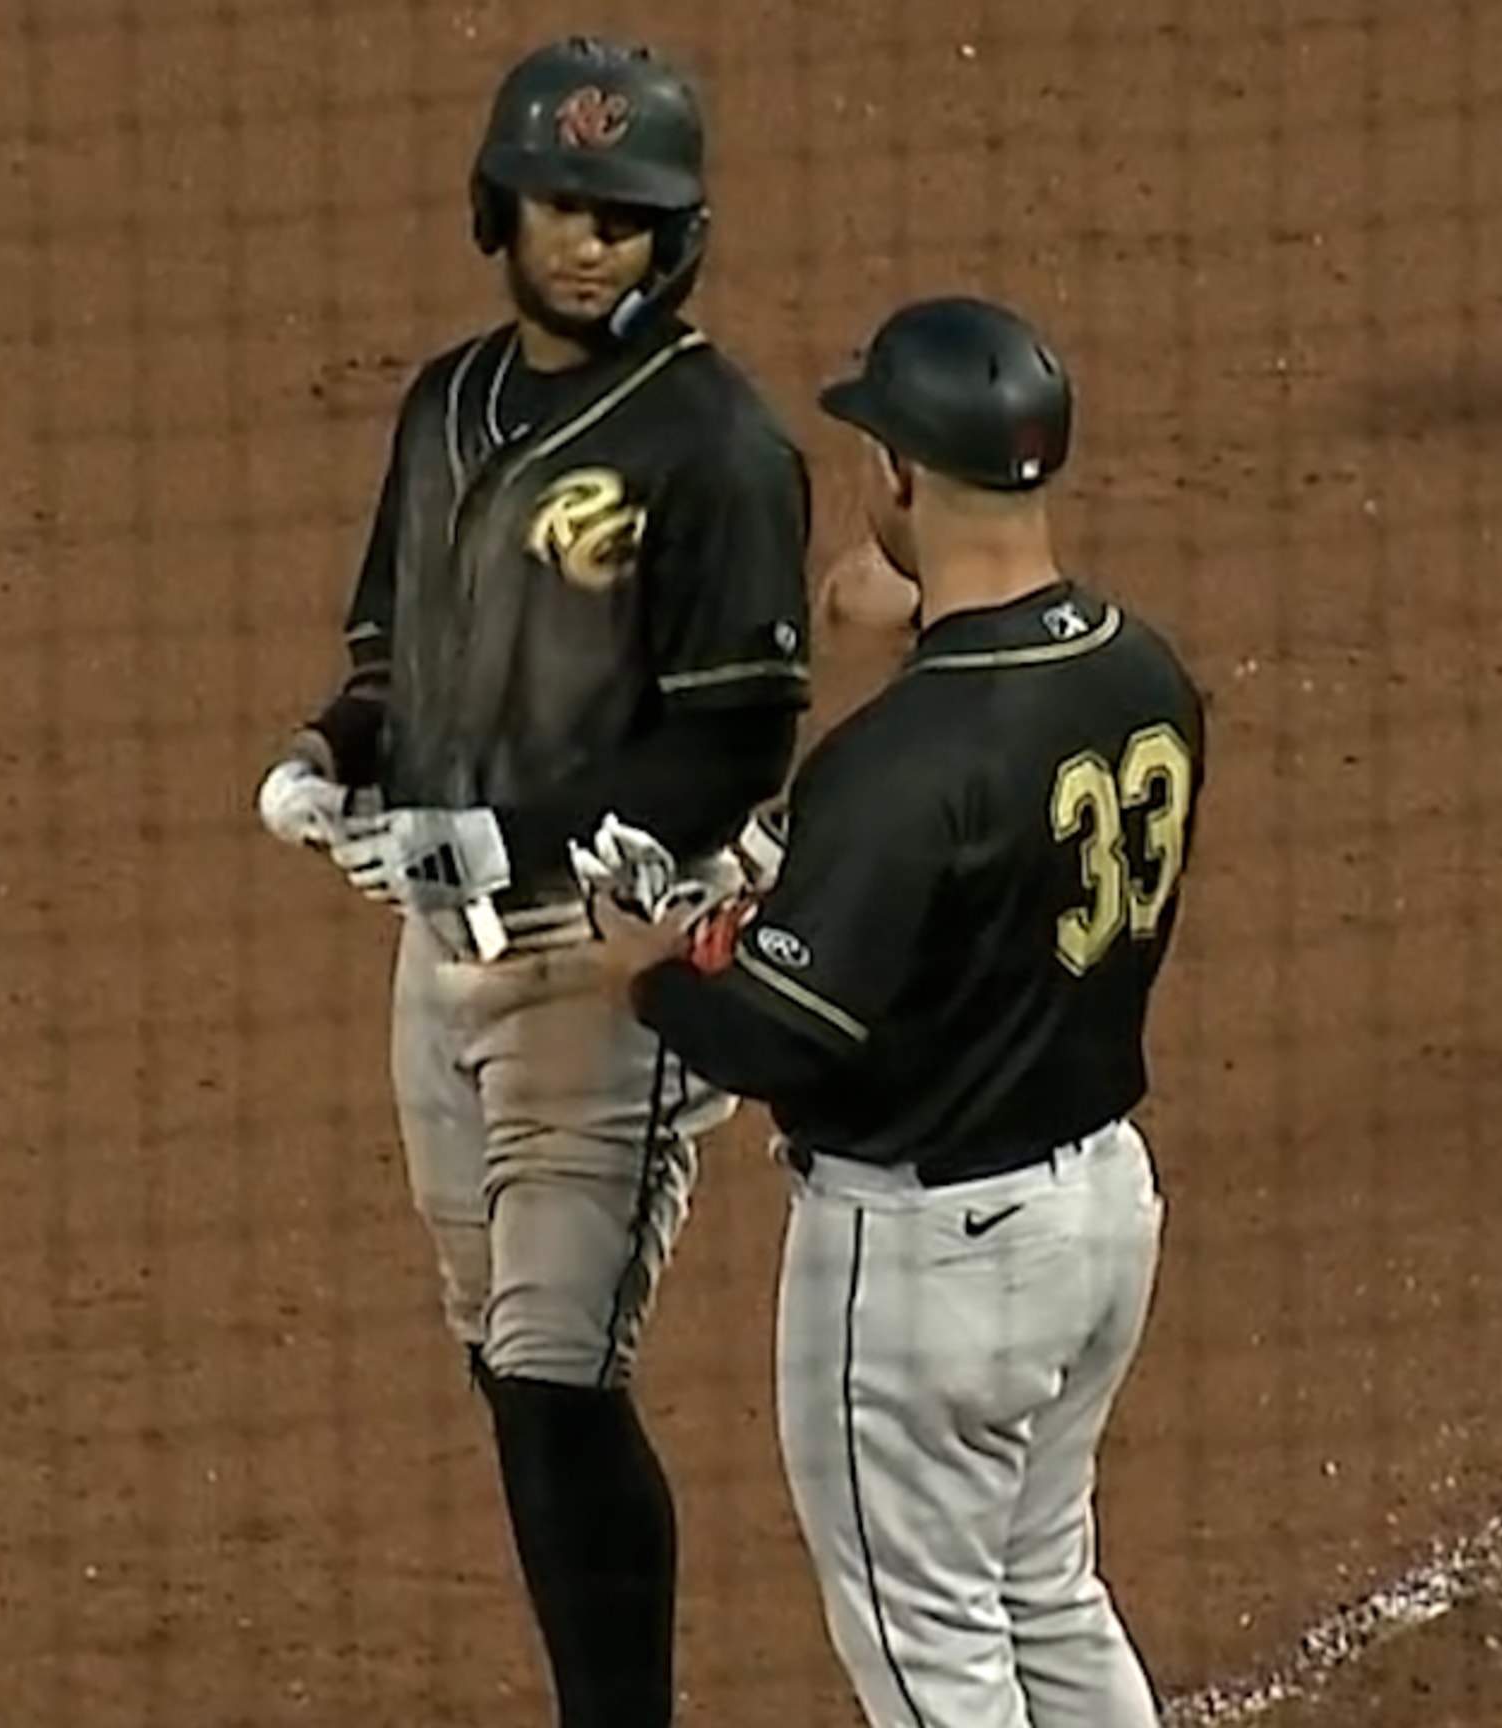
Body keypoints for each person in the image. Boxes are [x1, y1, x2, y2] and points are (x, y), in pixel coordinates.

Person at [248, 34, 816, 1728]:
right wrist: (327, 758)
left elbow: (736, 743)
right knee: (503, 1364)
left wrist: (534, 845)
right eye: (564, 207)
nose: (592, 243)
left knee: (562, 1370)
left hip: (610, 972)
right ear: (499, 207)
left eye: (630, 218)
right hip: (437, 969)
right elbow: (392, 656)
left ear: (677, 239)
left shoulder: (715, 445)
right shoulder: (445, 406)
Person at [584, 294, 1207, 1728]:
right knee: (1046, 1585)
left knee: (935, 1662)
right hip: (1099, 1218)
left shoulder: (896, 768)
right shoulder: (1146, 674)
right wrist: (928, 625)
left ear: (903, 478)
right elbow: (992, 774)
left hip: (929, 1269)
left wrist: (652, 965)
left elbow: (788, 1029)